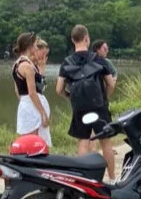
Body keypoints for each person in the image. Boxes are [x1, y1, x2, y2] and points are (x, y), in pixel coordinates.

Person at [58, 25, 116, 180]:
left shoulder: (67, 62)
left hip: (80, 108)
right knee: (106, 143)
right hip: (99, 107)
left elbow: (58, 89)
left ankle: (83, 180)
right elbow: (111, 84)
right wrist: (105, 98)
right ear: (87, 38)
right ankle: (111, 179)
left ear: (72, 40)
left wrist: (70, 97)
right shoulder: (98, 59)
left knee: (83, 142)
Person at [12, 32, 51, 147]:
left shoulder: (18, 64)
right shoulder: (27, 66)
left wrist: (24, 103)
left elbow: (17, 90)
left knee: (28, 141)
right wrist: (43, 113)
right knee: (33, 141)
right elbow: (32, 92)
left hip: (27, 104)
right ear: (29, 46)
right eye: (34, 44)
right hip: (32, 107)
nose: (36, 47)